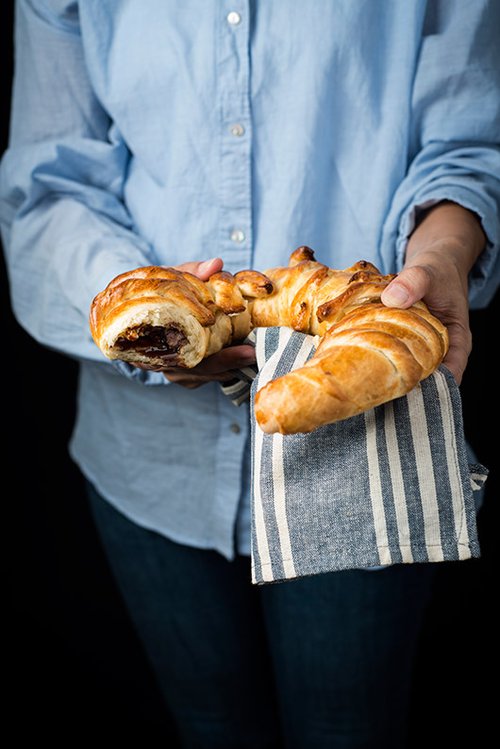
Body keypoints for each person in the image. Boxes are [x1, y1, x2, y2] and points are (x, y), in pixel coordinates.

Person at [1, 2, 499, 747]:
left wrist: (443, 256)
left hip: (363, 450)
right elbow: (48, 187)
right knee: (210, 730)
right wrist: (150, 316)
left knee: (347, 731)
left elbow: (468, 144)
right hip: (149, 461)